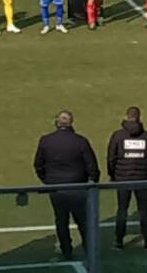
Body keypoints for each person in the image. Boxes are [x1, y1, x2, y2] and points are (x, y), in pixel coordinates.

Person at [33, 111, 100, 260]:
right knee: (83, 221)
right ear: (71, 123)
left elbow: (38, 164)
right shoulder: (80, 141)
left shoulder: (46, 140)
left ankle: (66, 251)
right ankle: (89, 250)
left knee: (61, 220)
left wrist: (47, 181)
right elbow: (92, 165)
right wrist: (91, 182)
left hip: (56, 189)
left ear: (57, 123)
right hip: (78, 188)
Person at [107, 106, 147, 250]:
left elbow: (111, 158)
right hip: (142, 178)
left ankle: (118, 240)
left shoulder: (118, 136)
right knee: (144, 210)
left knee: (122, 209)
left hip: (122, 178)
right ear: (139, 117)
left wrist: (113, 175)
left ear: (126, 116)